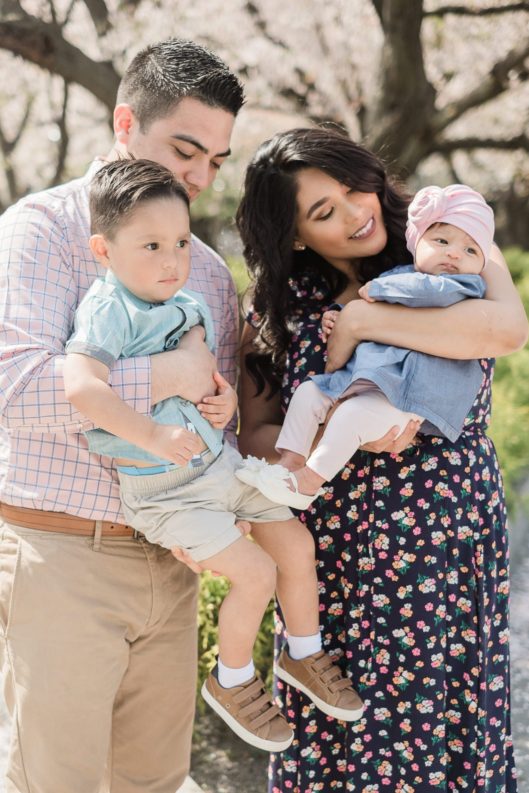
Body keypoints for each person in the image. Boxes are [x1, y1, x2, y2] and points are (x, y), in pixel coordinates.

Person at [236, 127, 526, 792]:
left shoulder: (451, 240)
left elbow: (505, 329)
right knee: (331, 725)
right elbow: (256, 432)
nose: (355, 211)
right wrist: (321, 438)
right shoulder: (277, 308)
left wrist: (365, 324)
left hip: (437, 533)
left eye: (351, 187)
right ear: (296, 236)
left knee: (431, 718)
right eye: (323, 211)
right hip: (330, 547)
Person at [0, 38, 246, 793]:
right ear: (125, 121)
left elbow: (215, 416)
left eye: (216, 161)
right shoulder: (39, 230)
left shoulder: (205, 269)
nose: (200, 177)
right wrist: (167, 371)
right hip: (62, 553)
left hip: (170, 561)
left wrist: (220, 402)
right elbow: (15, 387)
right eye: (185, 150)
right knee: (55, 782)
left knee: (154, 781)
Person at [63, 157, 364, 753]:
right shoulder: (110, 308)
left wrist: (221, 405)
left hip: (215, 466)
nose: (172, 260)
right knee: (255, 574)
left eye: (179, 241)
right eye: (151, 245)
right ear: (104, 250)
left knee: (296, 546)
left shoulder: (188, 297)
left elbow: (205, 383)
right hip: (164, 487)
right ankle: (232, 681)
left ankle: (302, 654)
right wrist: (150, 437)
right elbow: (81, 387)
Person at [236, 183, 493, 510]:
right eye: (441, 241)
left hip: (406, 398)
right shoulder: (400, 275)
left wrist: (371, 296)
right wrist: (338, 319)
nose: (455, 253)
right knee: (309, 394)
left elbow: (424, 293)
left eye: (471, 251)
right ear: (417, 243)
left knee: (352, 416)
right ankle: (290, 463)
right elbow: (366, 313)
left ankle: (308, 483)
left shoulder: (463, 285)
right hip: (366, 382)